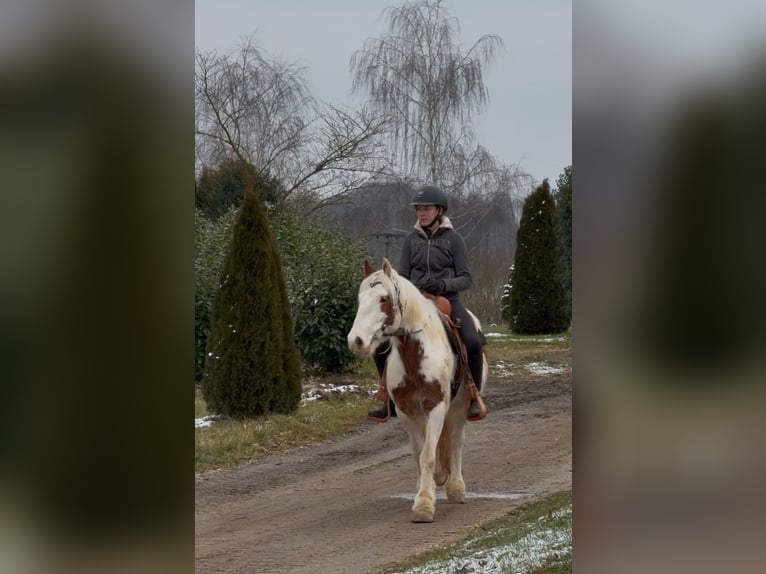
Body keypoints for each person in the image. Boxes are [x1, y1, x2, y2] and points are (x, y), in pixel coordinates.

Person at [367, 184, 485, 421]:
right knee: (380, 346)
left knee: (472, 342)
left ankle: (473, 395)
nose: (421, 213)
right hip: (416, 302)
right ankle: (387, 398)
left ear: (439, 210)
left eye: (426, 208)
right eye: (418, 209)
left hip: (446, 300)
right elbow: (403, 276)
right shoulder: (411, 241)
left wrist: (444, 285)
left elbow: (466, 278)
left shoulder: (454, 239)